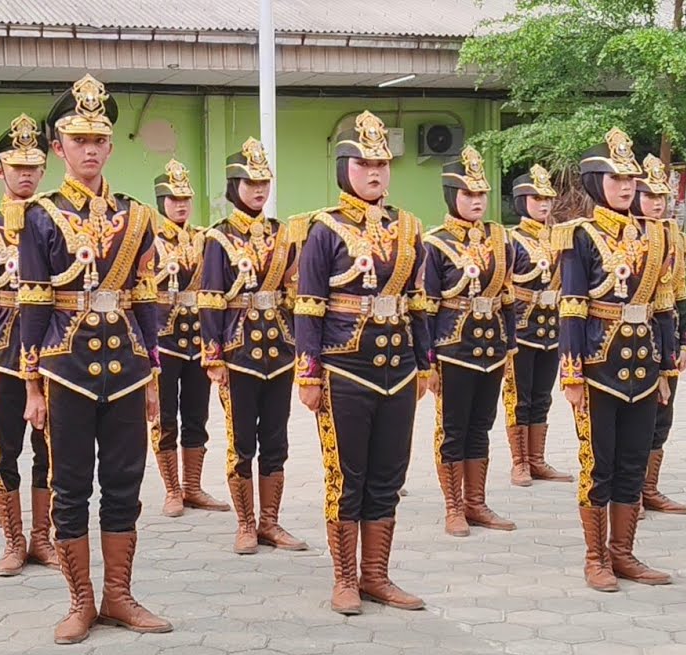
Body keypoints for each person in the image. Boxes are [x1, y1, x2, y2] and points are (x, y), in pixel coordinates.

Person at [21, 74, 171, 643]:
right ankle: (80, 600)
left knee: (125, 481)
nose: (88, 148)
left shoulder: (136, 216)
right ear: (58, 148)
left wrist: (154, 373)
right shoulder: (39, 214)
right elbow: (33, 298)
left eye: (98, 139)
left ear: (110, 146)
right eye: (77, 139)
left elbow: (146, 299)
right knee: (70, 483)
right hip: (66, 366)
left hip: (129, 366)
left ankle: (120, 595)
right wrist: (32, 384)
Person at [293, 111, 433, 615]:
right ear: (344, 168)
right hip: (343, 368)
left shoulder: (409, 226)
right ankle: (345, 579)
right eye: (364, 162)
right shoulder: (324, 229)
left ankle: (377, 575)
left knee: (388, 475)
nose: (375, 171)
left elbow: (420, 302)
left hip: (397, 368)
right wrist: (308, 373)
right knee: (345, 476)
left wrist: (425, 363)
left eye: (382, 162)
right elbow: (308, 305)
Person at [555, 128, 676, 592]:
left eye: (631, 179)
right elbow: (572, 306)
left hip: (644, 368)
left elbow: (662, 306)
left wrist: (665, 369)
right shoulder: (579, 236)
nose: (626, 186)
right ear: (593, 182)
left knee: (631, 462)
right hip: (598, 366)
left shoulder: (655, 236)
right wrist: (571, 373)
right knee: (597, 464)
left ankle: (624, 554)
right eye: (615, 177)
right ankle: (595, 558)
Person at [199, 139, 307, 555]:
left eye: (264, 182)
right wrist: (214, 357)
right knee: (242, 439)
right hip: (238, 353)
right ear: (233, 186)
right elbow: (210, 299)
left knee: (276, 439)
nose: (259, 189)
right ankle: (245, 524)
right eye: (250, 182)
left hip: (279, 350)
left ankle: (272, 522)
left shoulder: (284, 235)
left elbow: (295, 291)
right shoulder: (218, 238)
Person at [0, 113, 53, 577]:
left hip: (55, 352)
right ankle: (13, 540)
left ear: (42, 170)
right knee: (4, 447)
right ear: (0, 171)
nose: (25, 174)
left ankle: (44, 537)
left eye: (32, 167)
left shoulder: (57, 219)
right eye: (16, 167)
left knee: (51, 449)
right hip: (4, 351)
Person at [422, 147, 518, 537]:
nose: (476, 201)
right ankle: (453, 507)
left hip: (492, 349)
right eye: (467, 195)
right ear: (451, 196)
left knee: (482, 425)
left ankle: (477, 503)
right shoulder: (435, 243)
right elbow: (426, 307)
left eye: (481, 194)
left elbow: (508, 297)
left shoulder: (500, 238)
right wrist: (427, 362)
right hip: (453, 349)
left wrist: (510, 345)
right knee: (453, 428)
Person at [150, 158, 230, 517]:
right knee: (165, 417)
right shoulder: (149, 240)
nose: (180, 204)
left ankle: (193, 486)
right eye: (172, 198)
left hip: (198, 338)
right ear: (160, 200)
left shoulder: (205, 239)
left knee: (196, 415)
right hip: (163, 339)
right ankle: (171, 490)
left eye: (185, 198)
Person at [503, 165, 573, 487]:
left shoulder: (561, 237)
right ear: (521, 201)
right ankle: (519, 463)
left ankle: (537, 459)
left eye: (547, 198)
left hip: (551, 328)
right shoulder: (511, 240)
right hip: (521, 327)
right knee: (520, 396)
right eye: (536, 198)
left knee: (543, 396)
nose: (543, 204)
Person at [634, 155, 686, 516]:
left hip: (667, 329)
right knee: (640, 414)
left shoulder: (675, 235)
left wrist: (684, 338)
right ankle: (630, 491)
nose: (656, 203)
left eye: (661, 197)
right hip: (639, 332)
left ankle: (649, 487)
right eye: (649, 195)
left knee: (663, 416)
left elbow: (682, 289)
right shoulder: (632, 235)